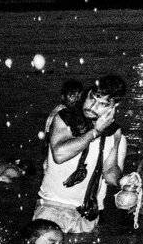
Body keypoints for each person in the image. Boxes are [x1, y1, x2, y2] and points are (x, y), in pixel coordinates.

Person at [35, 74, 127, 235]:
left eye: (103, 104)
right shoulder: (64, 118)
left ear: (114, 106)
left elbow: (109, 172)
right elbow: (59, 154)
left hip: (88, 214)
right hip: (53, 208)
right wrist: (95, 132)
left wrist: (124, 182)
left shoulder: (115, 133)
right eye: (92, 98)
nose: (93, 106)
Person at [43, 79, 85, 145]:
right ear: (63, 97)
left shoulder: (59, 109)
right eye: (72, 96)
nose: (76, 100)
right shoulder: (64, 112)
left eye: (79, 96)